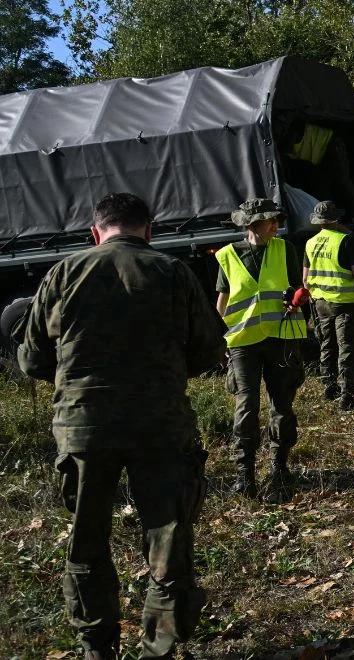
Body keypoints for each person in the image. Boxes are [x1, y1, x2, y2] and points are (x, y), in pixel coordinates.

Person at [17, 193, 225, 659]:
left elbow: (31, 357)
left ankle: (96, 648)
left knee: (87, 541)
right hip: (160, 426)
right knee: (168, 541)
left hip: (84, 426)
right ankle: (158, 649)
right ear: (149, 230)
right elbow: (209, 351)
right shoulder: (172, 273)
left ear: (96, 232)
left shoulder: (63, 274)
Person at [214, 198, 308, 502]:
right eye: (272, 222)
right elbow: (223, 302)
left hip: (280, 338)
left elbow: (297, 288)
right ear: (253, 225)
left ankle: (280, 467)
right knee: (246, 406)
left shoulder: (285, 249)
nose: (277, 226)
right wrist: (219, 340)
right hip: (242, 343)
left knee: (282, 404)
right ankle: (245, 476)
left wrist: (298, 297)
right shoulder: (227, 256)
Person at [303, 201, 354, 411]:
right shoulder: (346, 240)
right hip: (345, 303)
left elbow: (305, 279)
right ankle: (348, 395)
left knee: (326, 344)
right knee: (347, 348)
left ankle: (329, 385)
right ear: (336, 219)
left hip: (320, 303)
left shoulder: (310, 243)